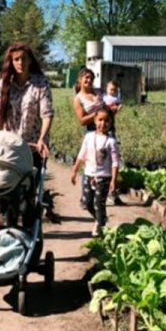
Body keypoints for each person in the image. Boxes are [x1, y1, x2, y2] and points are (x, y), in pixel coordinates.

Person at [0, 42, 54, 166]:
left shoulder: (41, 83)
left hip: (33, 147)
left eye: (24, 58)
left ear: (30, 61)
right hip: (9, 148)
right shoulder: (4, 85)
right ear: (11, 62)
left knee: (32, 182)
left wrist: (42, 138)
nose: (20, 63)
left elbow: (47, 114)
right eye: (16, 59)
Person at [69, 108, 119, 237]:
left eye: (107, 120)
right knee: (87, 202)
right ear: (95, 121)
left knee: (99, 202)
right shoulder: (89, 137)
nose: (103, 123)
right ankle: (101, 218)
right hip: (88, 175)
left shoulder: (111, 142)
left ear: (111, 122)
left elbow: (114, 162)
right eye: (100, 120)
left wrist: (113, 180)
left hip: (104, 177)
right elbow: (82, 155)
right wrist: (74, 171)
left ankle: (99, 226)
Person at [72, 68, 104, 209]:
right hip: (91, 132)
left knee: (104, 162)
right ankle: (85, 196)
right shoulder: (78, 99)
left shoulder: (98, 93)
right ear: (80, 80)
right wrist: (97, 114)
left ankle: (101, 194)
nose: (88, 80)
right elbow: (82, 120)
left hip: (105, 130)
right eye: (85, 77)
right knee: (90, 164)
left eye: (90, 77)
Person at [102, 80, 123, 205]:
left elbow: (119, 107)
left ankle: (112, 192)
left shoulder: (116, 100)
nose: (112, 91)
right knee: (108, 162)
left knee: (112, 162)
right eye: (110, 89)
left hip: (110, 131)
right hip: (106, 132)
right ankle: (108, 193)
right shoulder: (104, 99)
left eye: (114, 89)